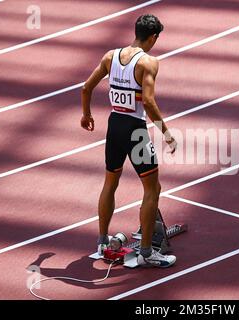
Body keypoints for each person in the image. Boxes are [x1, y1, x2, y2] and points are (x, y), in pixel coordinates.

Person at [80, 14, 177, 268]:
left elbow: (86, 88)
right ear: (153, 37)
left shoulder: (110, 57)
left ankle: (102, 242)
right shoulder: (148, 62)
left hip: (114, 127)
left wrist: (86, 114)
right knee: (152, 189)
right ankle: (147, 252)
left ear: (136, 32)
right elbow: (149, 102)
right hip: (135, 131)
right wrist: (166, 133)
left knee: (110, 183)